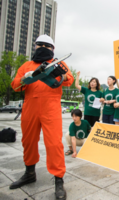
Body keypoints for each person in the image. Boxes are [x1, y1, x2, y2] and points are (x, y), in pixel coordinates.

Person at [10, 35, 73, 199]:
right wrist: (26, 77)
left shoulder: (59, 63)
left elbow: (69, 79)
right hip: (30, 106)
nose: (43, 47)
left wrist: (59, 73)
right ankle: (29, 173)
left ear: (52, 49)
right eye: (40, 45)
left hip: (51, 107)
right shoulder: (26, 65)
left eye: (47, 45)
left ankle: (59, 180)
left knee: (53, 144)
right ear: (35, 46)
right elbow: (15, 85)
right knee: (28, 141)